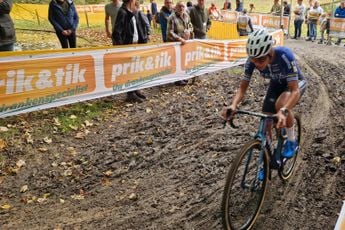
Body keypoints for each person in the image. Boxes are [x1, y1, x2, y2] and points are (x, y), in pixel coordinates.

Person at [222, 29, 307, 159]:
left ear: (270, 53)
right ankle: (267, 158)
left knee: (281, 104)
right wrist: (233, 105)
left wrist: (284, 110)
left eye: (260, 60)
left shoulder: (284, 56)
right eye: (253, 60)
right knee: (266, 122)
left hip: (295, 84)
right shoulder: (252, 61)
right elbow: (242, 88)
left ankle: (291, 140)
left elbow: (294, 90)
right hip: (276, 84)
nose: (257, 64)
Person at [113, 0, 151, 102]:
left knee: (136, 69)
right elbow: (116, 32)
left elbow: (137, 28)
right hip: (128, 47)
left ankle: (135, 89)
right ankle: (130, 94)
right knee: (130, 70)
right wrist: (122, 49)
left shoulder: (132, 11)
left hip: (136, 46)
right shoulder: (123, 12)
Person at [167, 1, 193, 86]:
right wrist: (179, 38)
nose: (181, 8)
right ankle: (177, 80)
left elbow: (190, 25)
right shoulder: (172, 17)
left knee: (182, 61)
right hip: (175, 44)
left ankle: (182, 77)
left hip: (184, 43)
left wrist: (189, 30)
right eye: (179, 6)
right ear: (176, 7)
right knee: (176, 62)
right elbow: (170, 32)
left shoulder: (186, 15)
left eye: (183, 6)